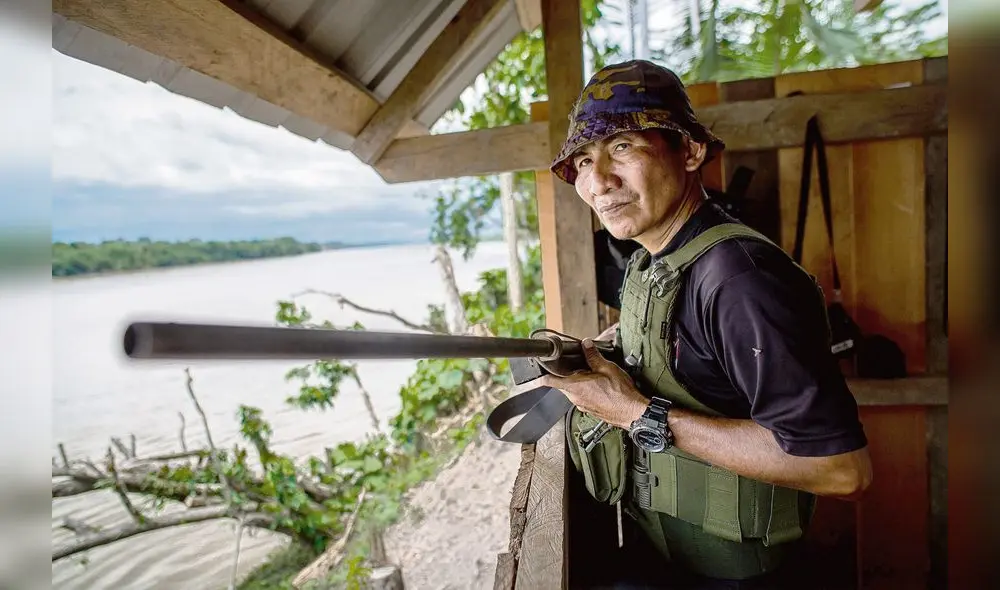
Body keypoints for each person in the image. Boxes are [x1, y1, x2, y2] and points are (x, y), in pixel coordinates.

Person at [533, 60, 873, 588]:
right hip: (668, 550)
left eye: (622, 146)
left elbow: (842, 469)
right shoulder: (652, 260)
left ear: (690, 151)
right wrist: (606, 350)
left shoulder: (740, 280)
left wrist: (635, 414)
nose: (597, 180)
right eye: (582, 160)